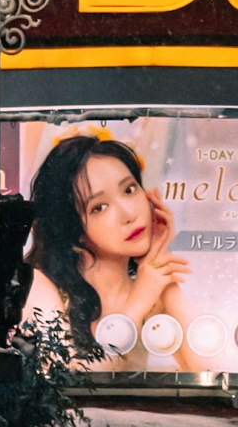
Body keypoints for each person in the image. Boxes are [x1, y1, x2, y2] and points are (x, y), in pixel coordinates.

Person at [12, 129, 186, 364]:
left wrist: (160, 262)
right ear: (71, 227)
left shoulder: (150, 287)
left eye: (129, 189)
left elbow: (215, 377)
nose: (129, 214)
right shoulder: (37, 284)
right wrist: (136, 304)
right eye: (99, 207)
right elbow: (66, 384)